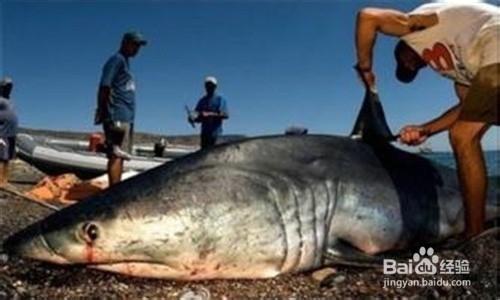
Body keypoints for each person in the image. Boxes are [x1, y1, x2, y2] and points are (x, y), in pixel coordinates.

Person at [355, 2, 499, 238]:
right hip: (488, 61)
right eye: (412, 70)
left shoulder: (414, 28)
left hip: (494, 39)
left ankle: (475, 236)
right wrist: (425, 130)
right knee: (468, 128)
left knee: (462, 137)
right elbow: (467, 109)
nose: (410, 65)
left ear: (401, 47)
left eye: (404, 62)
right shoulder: (457, 70)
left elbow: (367, 17)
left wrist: (365, 68)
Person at [95, 31, 147, 185]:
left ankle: (115, 189)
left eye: (139, 46)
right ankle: (114, 192)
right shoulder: (116, 60)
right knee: (116, 154)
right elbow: (105, 86)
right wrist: (103, 110)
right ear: (125, 43)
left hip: (126, 116)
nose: (137, 49)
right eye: (135, 44)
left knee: (120, 154)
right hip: (116, 114)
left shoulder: (125, 62)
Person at [189, 76, 229, 149]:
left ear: (215, 87)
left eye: (211, 86)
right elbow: (197, 116)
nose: (209, 87)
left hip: (216, 134)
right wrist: (192, 118)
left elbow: (225, 115)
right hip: (204, 134)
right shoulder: (202, 101)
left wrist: (210, 114)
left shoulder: (220, 99)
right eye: (207, 85)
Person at [0, 77, 19, 187]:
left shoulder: (9, 100)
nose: (9, 88)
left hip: (11, 133)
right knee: (2, 157)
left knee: (7, 158)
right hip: (2, 133)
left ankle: (5, 181)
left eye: (10, 87)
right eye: (6, 86)